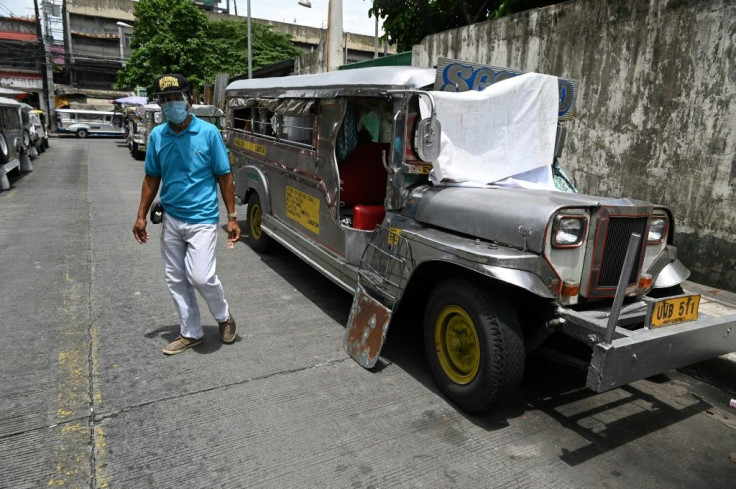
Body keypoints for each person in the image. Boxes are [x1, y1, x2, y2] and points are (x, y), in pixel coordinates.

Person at [132, 73, 241, 355]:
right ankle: (191, 332)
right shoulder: (158, 135)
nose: (170, 105)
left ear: (188, 100)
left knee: (201, 277)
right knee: (175, 278)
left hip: (202, 219)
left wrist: (231, 216)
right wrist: (141, 215)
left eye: (175, 98)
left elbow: (224, 176)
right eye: (164, 100)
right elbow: (151, 178)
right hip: (170, 219)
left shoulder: (208, 133)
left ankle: (223, 316)